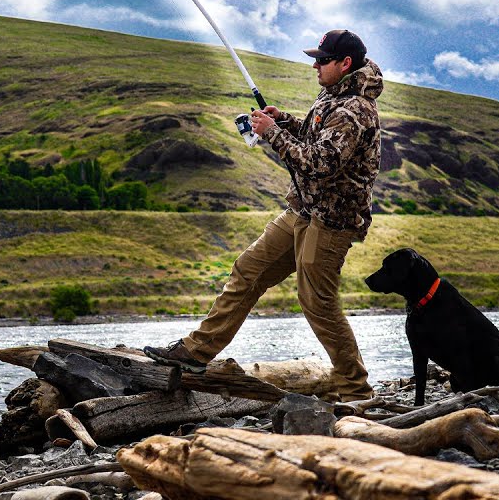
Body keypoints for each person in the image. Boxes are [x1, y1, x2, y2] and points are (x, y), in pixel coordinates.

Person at [143, 28, 383, 401]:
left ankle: (356, 391)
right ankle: (195, 353)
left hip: (331, 221)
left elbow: (320, 164)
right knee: (248, 270)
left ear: (345, 63)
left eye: (322, 60)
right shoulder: (334, 95)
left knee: (317, 302)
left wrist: (272, 134)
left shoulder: (355, 110)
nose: (315, 66)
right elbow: (316, 137)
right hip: (303, 209)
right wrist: (285, 122)